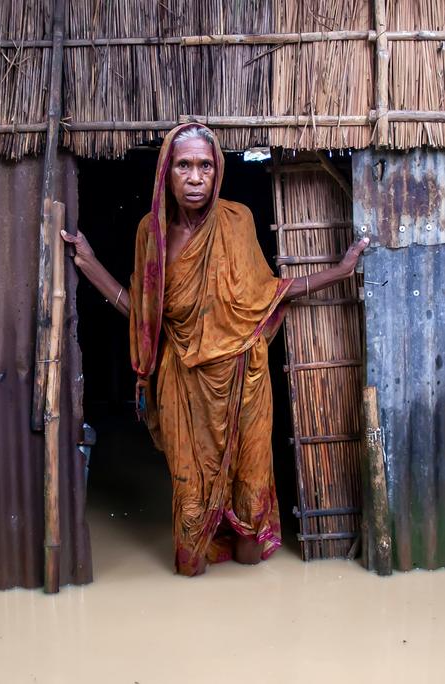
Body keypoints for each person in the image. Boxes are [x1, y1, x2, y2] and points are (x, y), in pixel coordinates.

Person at [62, 123, 369, 577]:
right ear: (166, 171)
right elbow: (142, 312)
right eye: (184, 165)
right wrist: (88, 262)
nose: (195, 177)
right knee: (190, 508)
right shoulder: (153, 231)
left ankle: (251, 627)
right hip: (183, 386)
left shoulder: (237, 220)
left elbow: (269, 292)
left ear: (217, 171)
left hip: (245, 380)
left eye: (205, 165)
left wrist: (339, 272)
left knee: (249, 501)